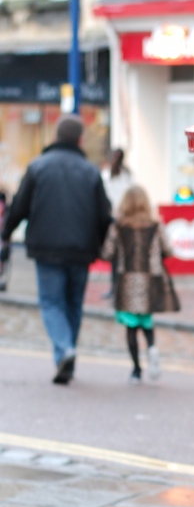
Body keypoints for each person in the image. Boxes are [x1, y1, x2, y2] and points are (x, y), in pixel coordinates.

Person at [0, 115, 111, 384]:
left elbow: (20, 207)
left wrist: (6, 234)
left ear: (55, 137)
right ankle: (67, 356)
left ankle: (64, 351)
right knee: (73, 304)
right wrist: (98, 243)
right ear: (79, 140)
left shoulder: (38, 167)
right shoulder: (91, 171)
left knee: (52, 302)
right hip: (82, 250)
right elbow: (104, 215)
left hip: (46, 248)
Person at [101, 184, 180, 383]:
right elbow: (168, 249)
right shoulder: (155, 225)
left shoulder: (118, 226)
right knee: (146, 322)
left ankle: (136, 370)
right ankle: (152, 349)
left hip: (127, 281)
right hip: (150, 281)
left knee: (130, 327)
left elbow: (107, 252)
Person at [101, 148, 133, 299]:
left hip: (114, 218)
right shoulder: (127, 175)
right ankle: (121, 288)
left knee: (115, 257)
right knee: (124, 256)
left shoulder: (108, 175)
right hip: (125, 218)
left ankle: (115, 287)